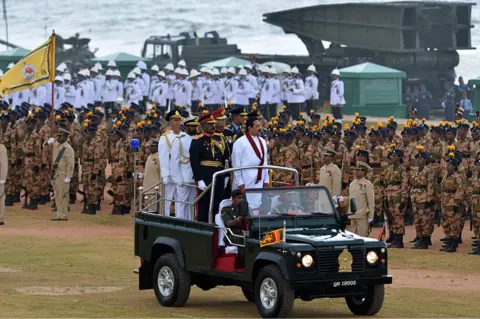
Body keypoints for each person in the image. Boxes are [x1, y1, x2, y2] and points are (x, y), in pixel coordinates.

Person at [189, 113, 226, 223]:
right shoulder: (197, 141)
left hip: (219, 174)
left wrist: (226, 174)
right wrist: (199, 179)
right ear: (203, 125)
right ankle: (203, 225)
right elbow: (194, 162)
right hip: (206, 175)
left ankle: (217, 224)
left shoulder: (220, 137)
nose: (213, 126)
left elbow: (224, 157)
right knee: (205, 203)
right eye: (210, 124)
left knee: (218, 201)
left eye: (214, 124)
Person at [232, 117, 269, 210]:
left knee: (257, 203)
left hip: (259, 178)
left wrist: (266, 178)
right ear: (249, 127)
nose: (259, 128)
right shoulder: (240, 142)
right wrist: (239, 181)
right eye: (257, 126)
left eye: (260, 125)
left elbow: (264, 161)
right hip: (246, 177)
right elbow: (236, 163)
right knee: (245, 203)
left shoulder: (263, 141)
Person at [171, 116, 199, 220]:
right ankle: (180, 221)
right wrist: (177, 178)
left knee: (192, 201)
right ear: (186, 128)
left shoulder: (197, 139)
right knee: (182, 201)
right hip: (182, 176)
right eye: (192, 127)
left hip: (194, 176)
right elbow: (174, 161)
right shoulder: (179, 140)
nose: (195, 129)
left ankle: (190, 221)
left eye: (196, 126)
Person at [159, 110, 184, 217]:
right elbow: (163, 156)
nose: (178, 123)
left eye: (179, 120)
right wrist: (165, 173)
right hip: (170, 172)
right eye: (175, 120)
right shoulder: (165, 137)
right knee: (167, 198)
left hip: (182, 172)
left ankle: (180, 218)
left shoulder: (184, 136)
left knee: (181, 199)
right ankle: (165, 217)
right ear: (170, 122)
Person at [409, 149, 435, 249]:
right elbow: (412, 184)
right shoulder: (414, 170)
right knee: (417, 219)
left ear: (426, 160)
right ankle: (420, 238)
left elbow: (430, 185)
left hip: (424, 197)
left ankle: (425, 239)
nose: (419, 161)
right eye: (418, 159)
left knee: (425, 219)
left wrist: (429, 199)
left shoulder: (429, 171)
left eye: (421, 158)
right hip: (415, 197)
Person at [440, 154, 465, 253]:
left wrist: (456, 203)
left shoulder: (457, 177)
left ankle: (453, 244)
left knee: (453, 223)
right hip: (445, 201)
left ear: (454, 166)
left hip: (452, 202)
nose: (447, 166)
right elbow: (443, 189)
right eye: (447, 164)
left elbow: (460, 190)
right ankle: (449, 242)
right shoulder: (445, 176)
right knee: (446, 223)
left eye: (449, 165)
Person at [385, 148, 408, 248]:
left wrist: (403, 199)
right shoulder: (390, 168)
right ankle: (394, 239)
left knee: (398, 217)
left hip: (398, 195)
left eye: (394, 156)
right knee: (392, 217)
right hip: (390, 196)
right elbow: (387, 183)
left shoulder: (402, 169)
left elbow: (404, 184)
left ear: (399, 157)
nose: (391, 157)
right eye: (391, 155)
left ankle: (399, 241)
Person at [49, 128, 74, 221]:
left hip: (63, 175)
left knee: (63, 195)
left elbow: (70, 164)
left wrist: (68, 176)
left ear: (66, 137)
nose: (58, 138)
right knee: (57, 195)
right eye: (58, 136)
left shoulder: (68, 149)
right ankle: (59, 214)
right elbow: (45, 147)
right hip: (56, 174)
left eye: (61, 136)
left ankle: (63, 214)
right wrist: (48, 142)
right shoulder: (56, 145)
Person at [348, 161, 374, 237]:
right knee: (353, 236)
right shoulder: (352, 183)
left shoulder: (367, 184)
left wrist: (371, 216)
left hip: (362, 214)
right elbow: (351, 198)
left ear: (364, 172)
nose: (356, 172)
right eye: (355, 170)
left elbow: (371, 201)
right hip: (353, 214)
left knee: (362, 236)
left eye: (358, 170)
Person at [0, 140, 7, 225]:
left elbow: (4, 164)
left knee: (1, 198)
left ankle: (0, 217)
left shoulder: (1, 148)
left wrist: (2, 178)